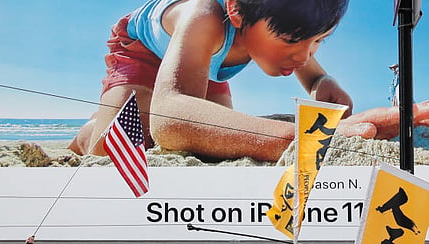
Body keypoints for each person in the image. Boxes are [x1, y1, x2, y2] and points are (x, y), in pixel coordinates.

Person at [67, 0, 429, 163]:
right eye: (293, 41)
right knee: (116, 145)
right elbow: (172, 119)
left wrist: (321, 82)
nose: (304, 56)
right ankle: (87, 132)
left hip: (212, 63)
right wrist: (299, 140)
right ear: (236, 10)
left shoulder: (284, 31)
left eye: (318, 41)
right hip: (147, 53)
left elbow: (309, 66)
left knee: (211, 142)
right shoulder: (204, 16)